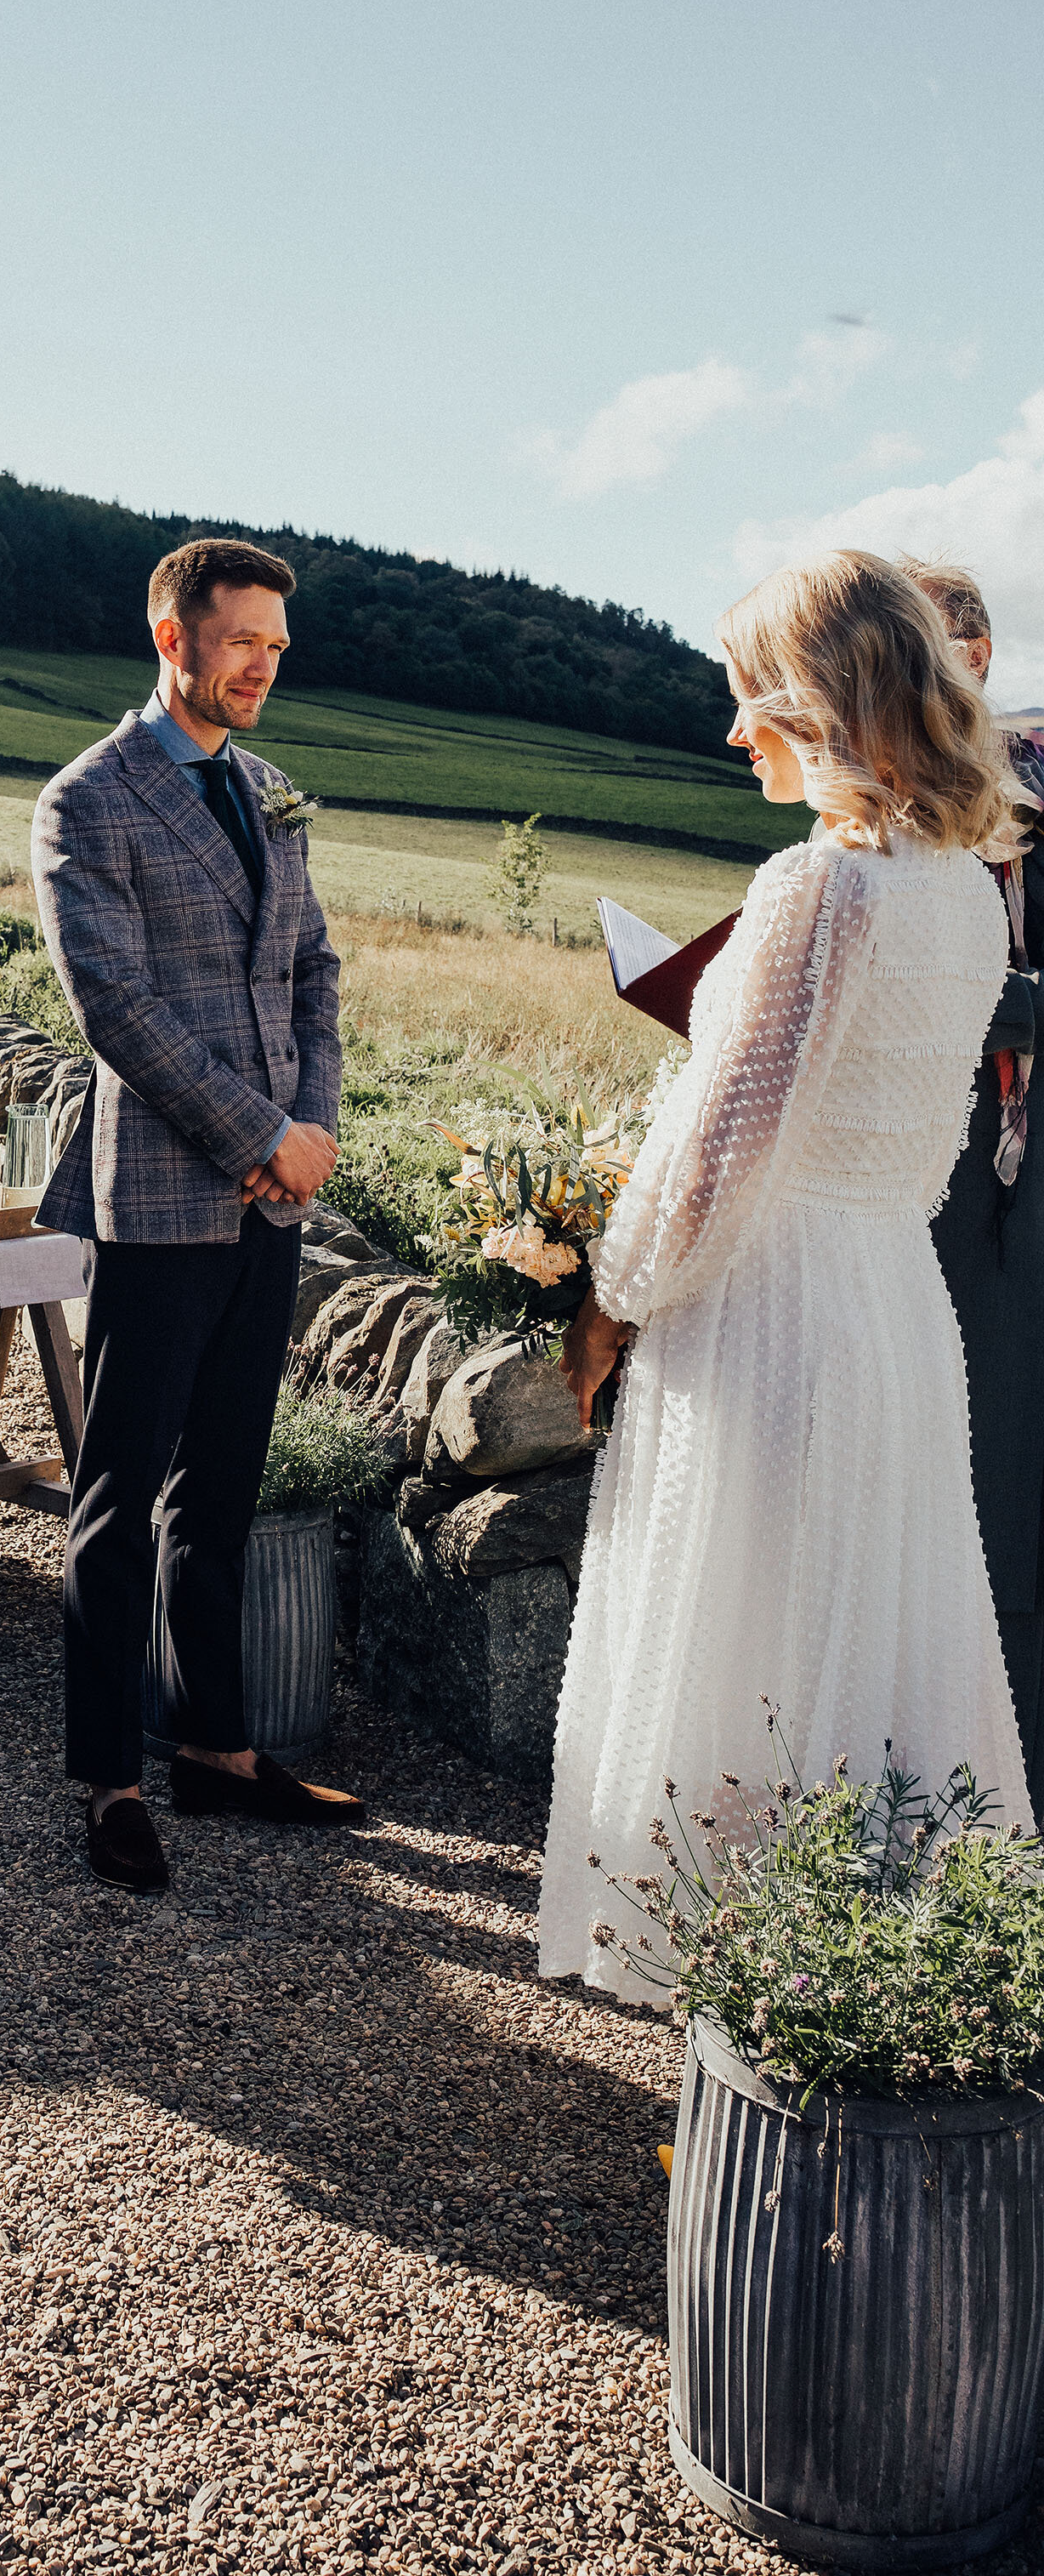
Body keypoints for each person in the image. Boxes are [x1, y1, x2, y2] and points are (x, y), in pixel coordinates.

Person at [540, 550, 1035, 2000]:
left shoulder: (817, 886)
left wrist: (609, 1301)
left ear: (821, 704)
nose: (734, 730)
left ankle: (739, 1982)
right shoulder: (965, 897)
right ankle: (861, 1971)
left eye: (750, 698)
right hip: (890, 1300)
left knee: (745, 1631)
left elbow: (716, 1146)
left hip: (775, 1305)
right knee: (866, 1631)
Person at [31, 536, 360, 1896]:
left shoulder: (272, 791)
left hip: (273, 1202)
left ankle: (218, 1753)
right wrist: (257, 1135)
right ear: (172, 636)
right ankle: (110, 1776)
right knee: (121, 1495)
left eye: (279, 646)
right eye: (244, 642)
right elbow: (120, 1009)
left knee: (220, 1489)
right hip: (164, 1198)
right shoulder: (88, 801)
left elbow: (315, 971)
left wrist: (316, 1130)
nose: (265, 664)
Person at [902, 560, 1044, 1805]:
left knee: (1006, 1468)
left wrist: (983, 995)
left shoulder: (1039, 771)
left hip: (1027, 1180)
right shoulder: (876, 804)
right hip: (913, 1170)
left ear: (978, 659)